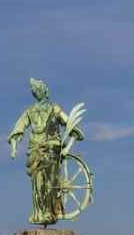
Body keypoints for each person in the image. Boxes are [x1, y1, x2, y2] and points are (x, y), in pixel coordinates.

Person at [9, 78, 84, 225]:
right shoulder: (30, 111)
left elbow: (72, 129)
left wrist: (67, 148)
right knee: (38, 184)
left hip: (51, 151)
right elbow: (19, 128)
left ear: (44, 91)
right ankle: (39, 213)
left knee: (50, 184)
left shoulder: (55, 109)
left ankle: (49, 213)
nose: (37, 93)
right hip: (35, 151)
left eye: (38, 90)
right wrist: (14, 146)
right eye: (34, 91)